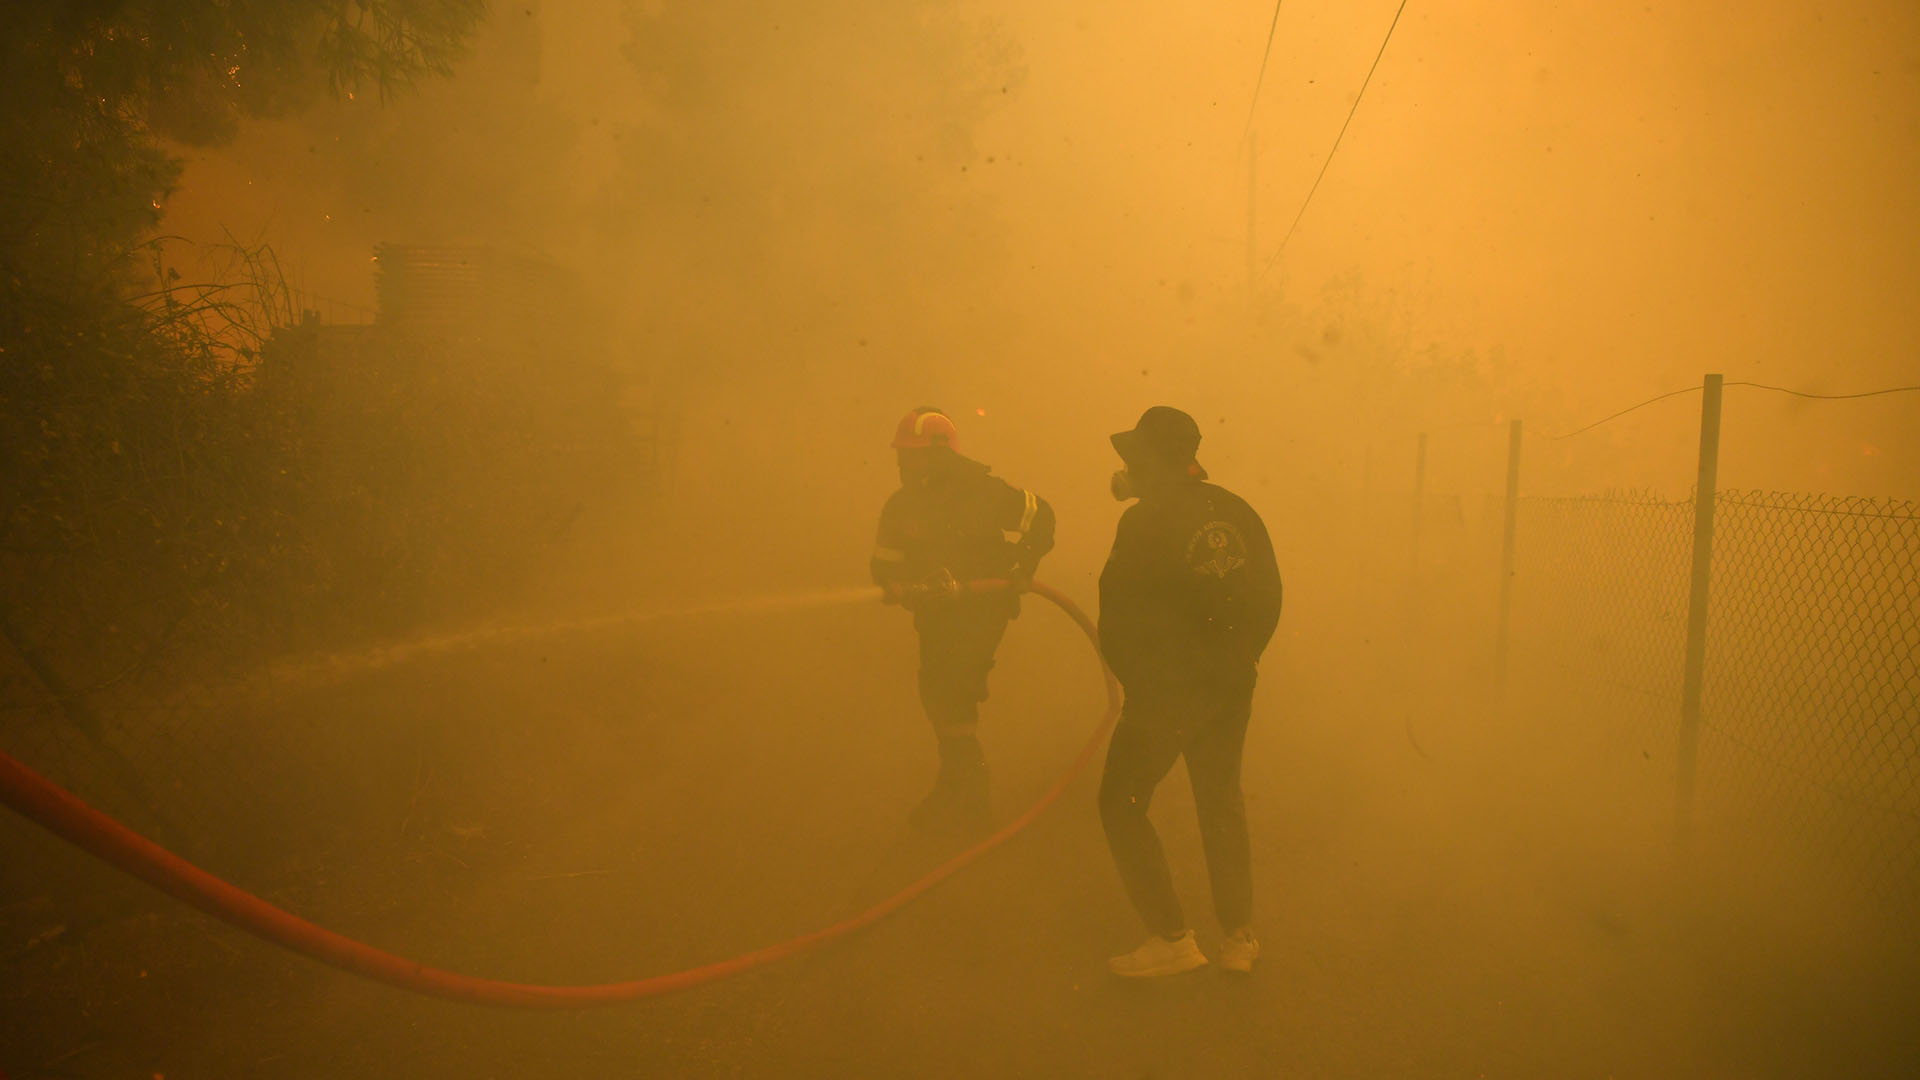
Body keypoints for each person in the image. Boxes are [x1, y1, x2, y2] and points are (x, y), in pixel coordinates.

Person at [1096, 406, 1283, 977]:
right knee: (1219, 799)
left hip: (1167, 692)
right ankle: (1239, 938)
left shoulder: (1143, 522)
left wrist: (1141, 685)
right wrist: (1244, 659)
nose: (1127, 467)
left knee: (1121, 803)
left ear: (1152, 462)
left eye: (1134, 457)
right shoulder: (1236, 510)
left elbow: (1117, 614)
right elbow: (1269, 595)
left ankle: (1171, 938)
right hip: (1230, 684)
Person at [871, 407, 1055, 835]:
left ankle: (971, 795)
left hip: (982, 608)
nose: (903, 463)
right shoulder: (902, 507)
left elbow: (1042, 518)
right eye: (902, 455)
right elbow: (884, 563)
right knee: (937, 692)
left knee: (954, 691)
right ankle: (955, 781)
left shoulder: (984, 493)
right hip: (936, 612)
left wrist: (1022, 564)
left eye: (912, 454)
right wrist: (894, 584)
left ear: (940, 453)